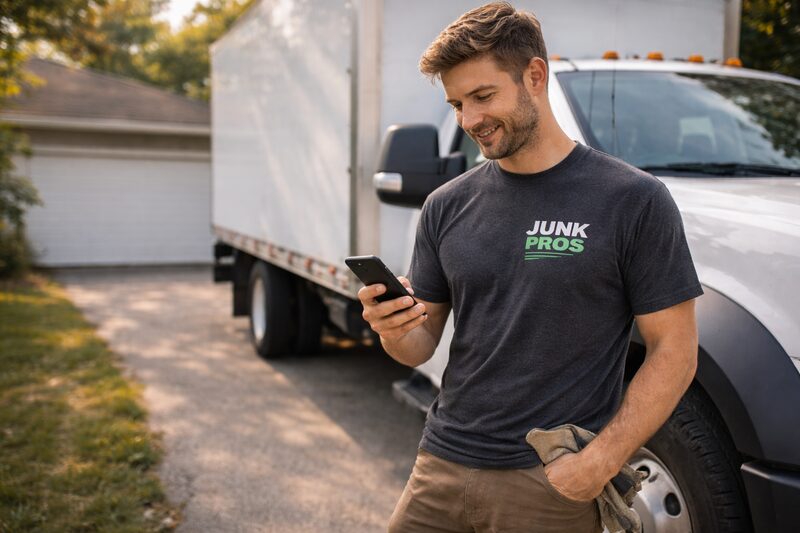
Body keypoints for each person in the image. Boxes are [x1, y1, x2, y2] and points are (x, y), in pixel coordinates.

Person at [357, 2, 703, 532]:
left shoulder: (633, 200)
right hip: (440, 463)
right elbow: (419, 345)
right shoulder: (446, 205)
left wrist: (599, 463)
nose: (470, 120)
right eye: (456, 104)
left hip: (546, 482)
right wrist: (391, 328)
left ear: (535, 76)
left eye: (482, 96)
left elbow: (674, 352)